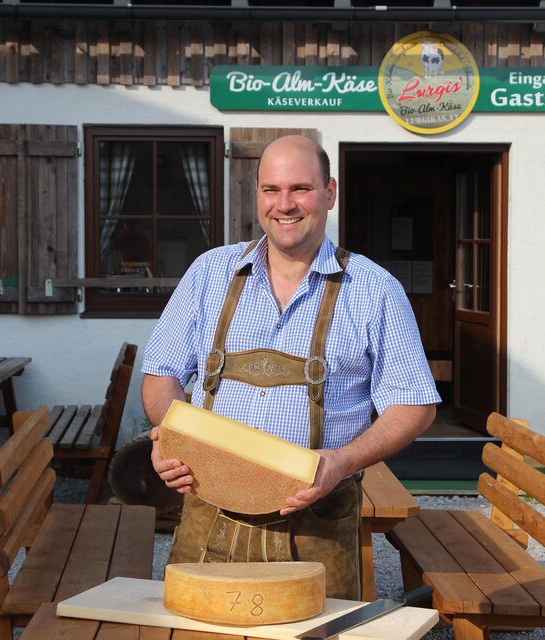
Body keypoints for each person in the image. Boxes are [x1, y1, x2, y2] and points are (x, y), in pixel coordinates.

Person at [141, 134, 440, 600]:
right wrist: (170, 438)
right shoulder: (208, 273)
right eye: (271, 190)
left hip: (316, 527)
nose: (285, 205)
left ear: (329, 192)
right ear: (257, 194)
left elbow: (414, 407)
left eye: (300, 188)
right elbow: (161, 375)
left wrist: (341, 462)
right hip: (208, 518)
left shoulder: (375, 289)